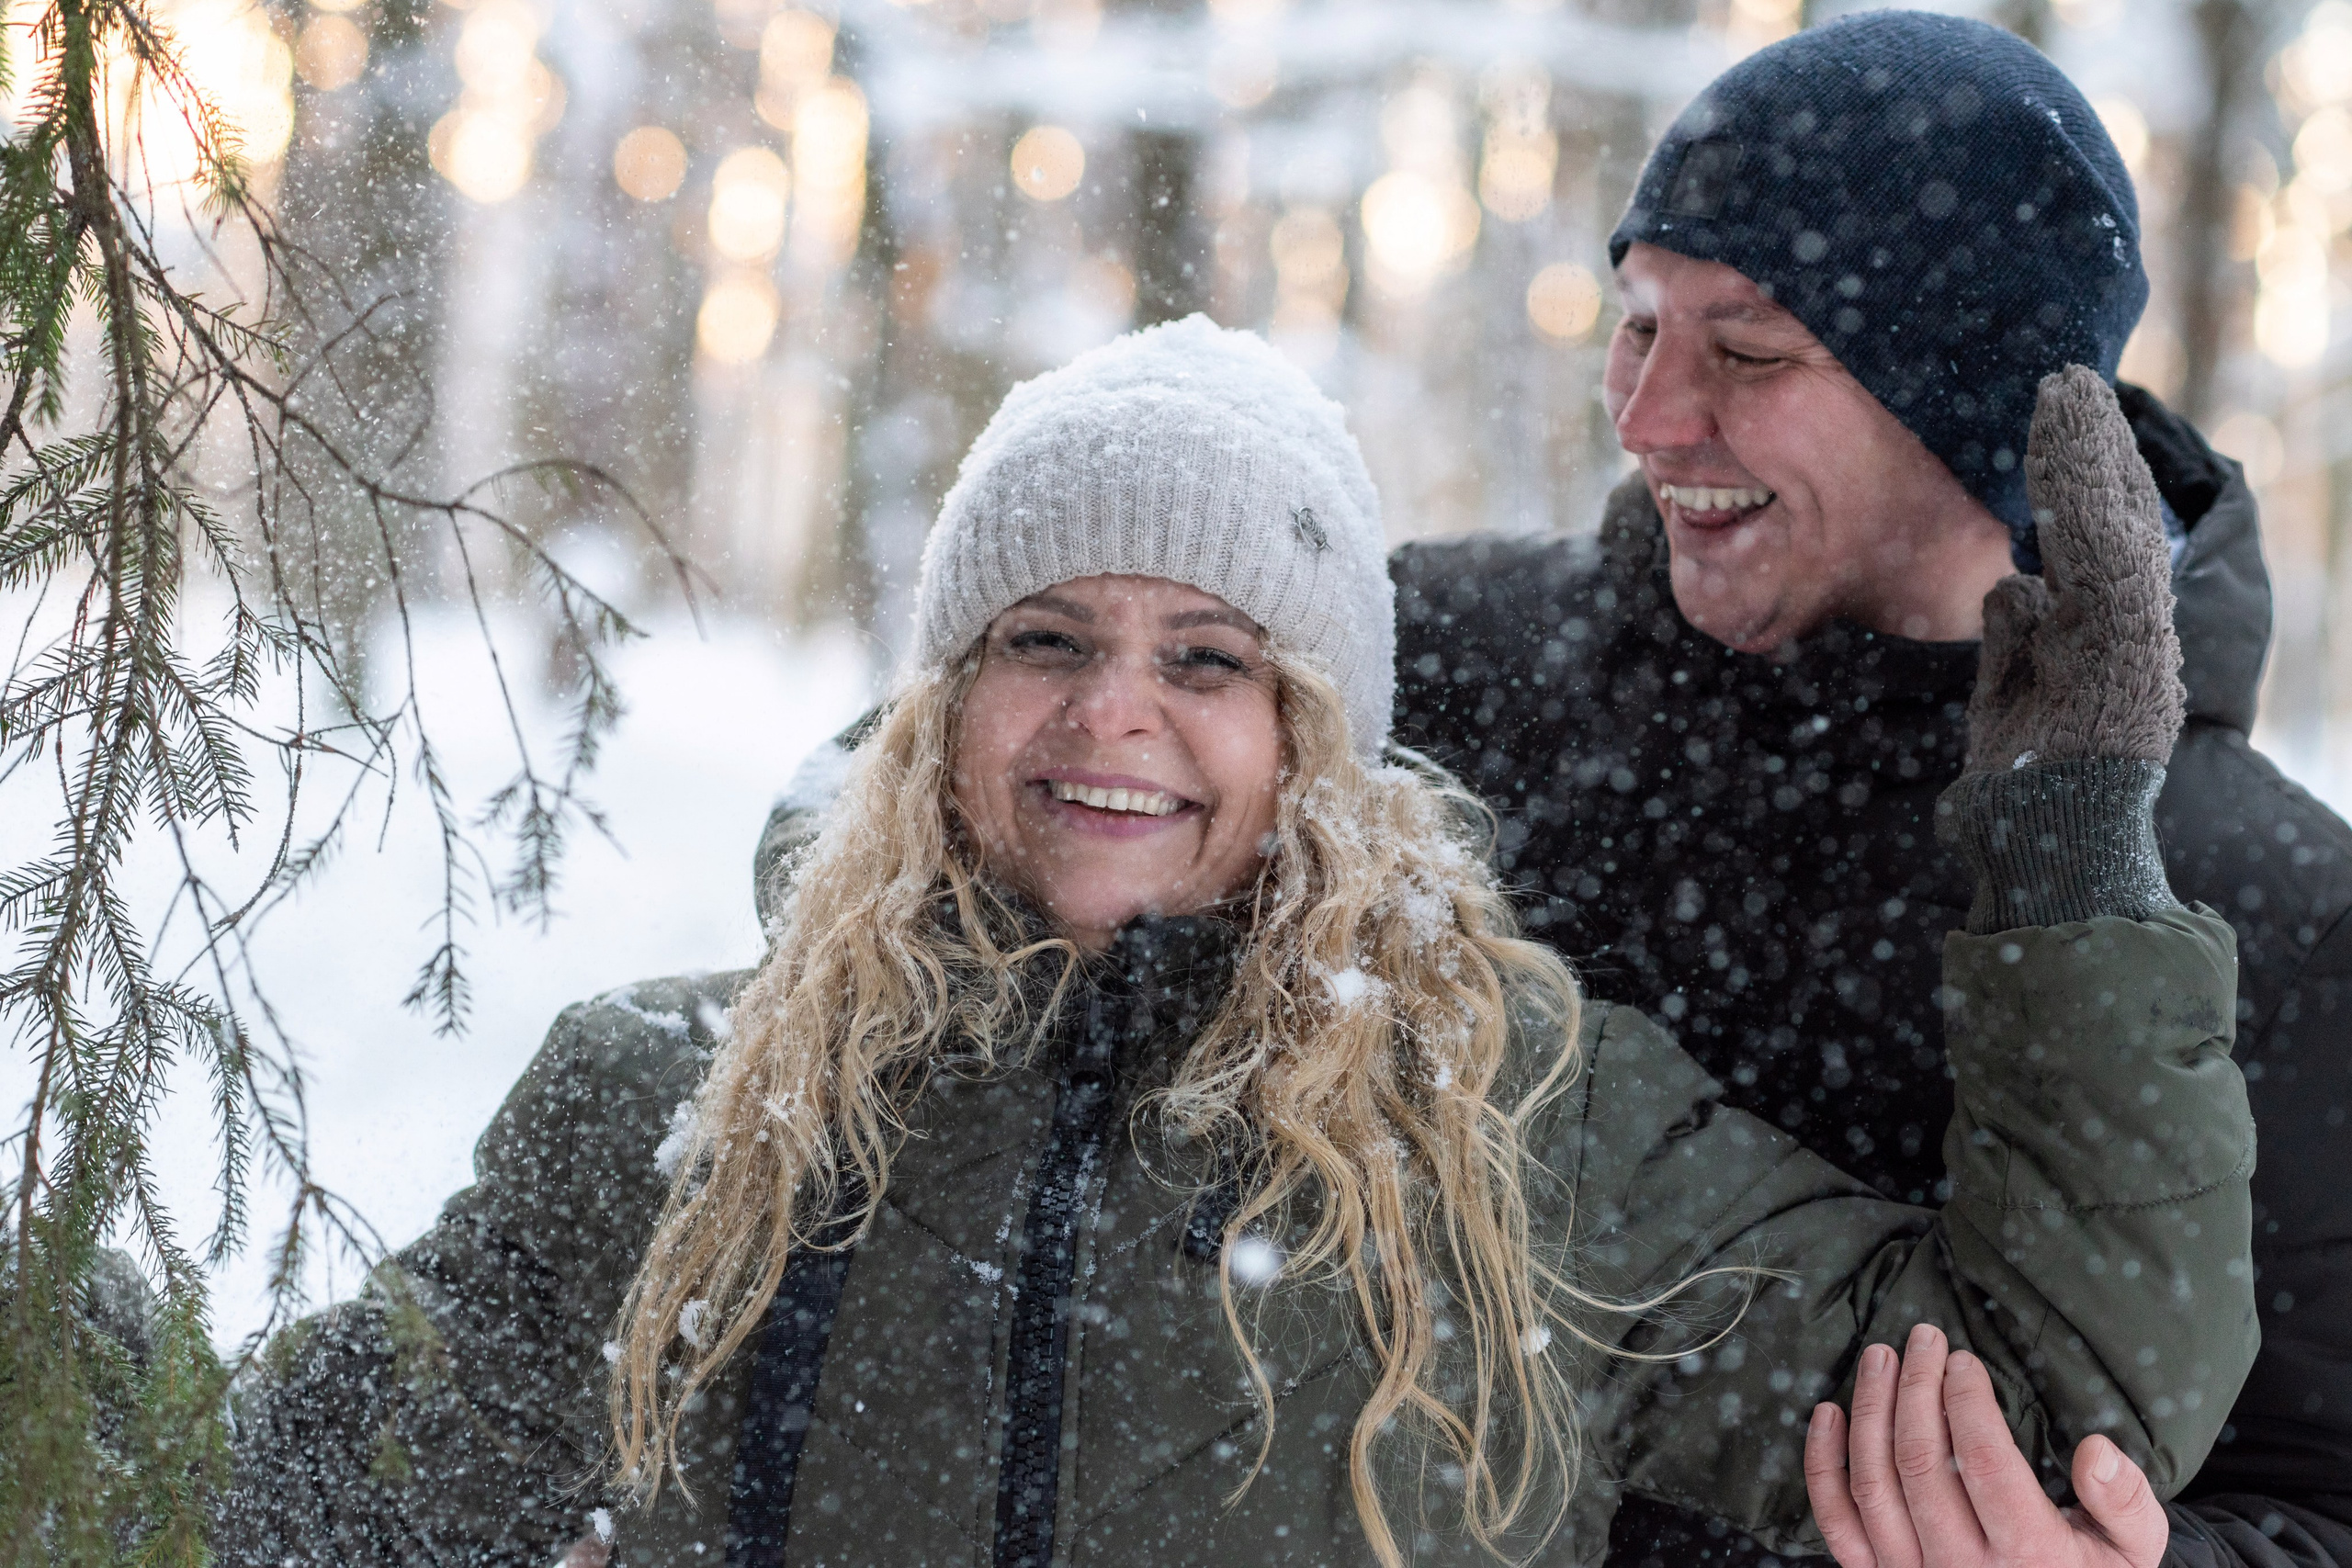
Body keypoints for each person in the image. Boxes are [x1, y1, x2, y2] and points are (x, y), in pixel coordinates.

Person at [217, 319, 2253, 1568]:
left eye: (1207, 660)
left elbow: (2050, 1396)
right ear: (940, 701)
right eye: (1042, 640)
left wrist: (2069, 840)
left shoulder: (1521, 1131)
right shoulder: (674, 1106)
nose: (1113, 714)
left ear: (1310, 741)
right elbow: (281, 1506)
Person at [1389, 11, 2352, 1568]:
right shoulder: (1434, 676)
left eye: (1749, 351)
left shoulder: (2276, 906)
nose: (1645, 418)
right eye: (1637, 324)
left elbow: (2323, 1502)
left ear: (1970, 405)